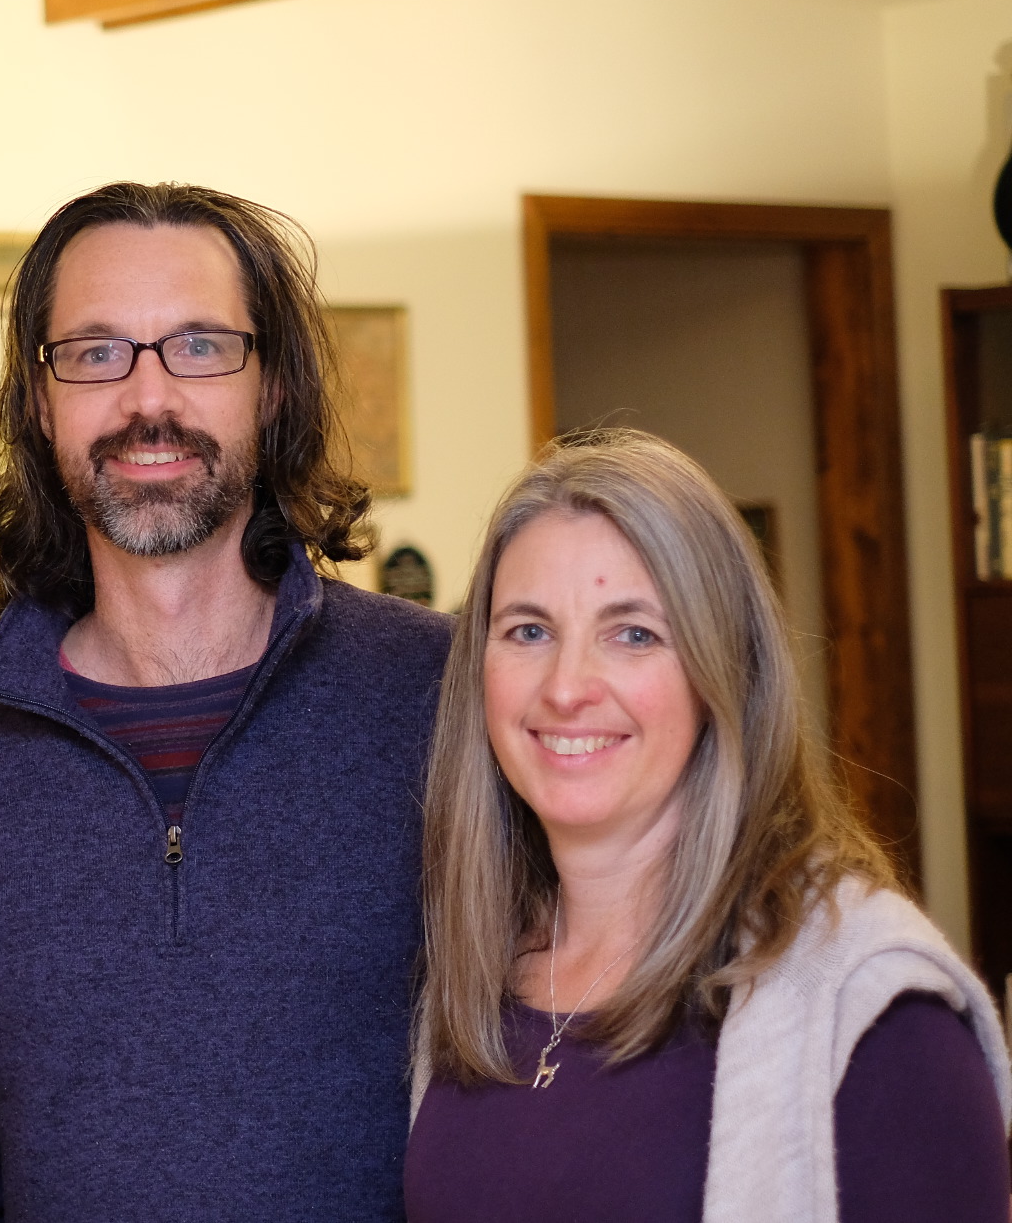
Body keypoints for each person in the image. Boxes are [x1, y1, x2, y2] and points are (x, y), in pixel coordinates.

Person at [0, 182, 452, 1221]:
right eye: (97, 352)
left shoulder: (434, 694)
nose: (149, 398)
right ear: (40, 401)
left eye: (199, 346)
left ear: (272, 387)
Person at [406, 429, 1012, 1222]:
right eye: (529, 630)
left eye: (634, 633)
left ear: (724, 669)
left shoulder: (876, 1014)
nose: (567, 687)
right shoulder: (470, 968)